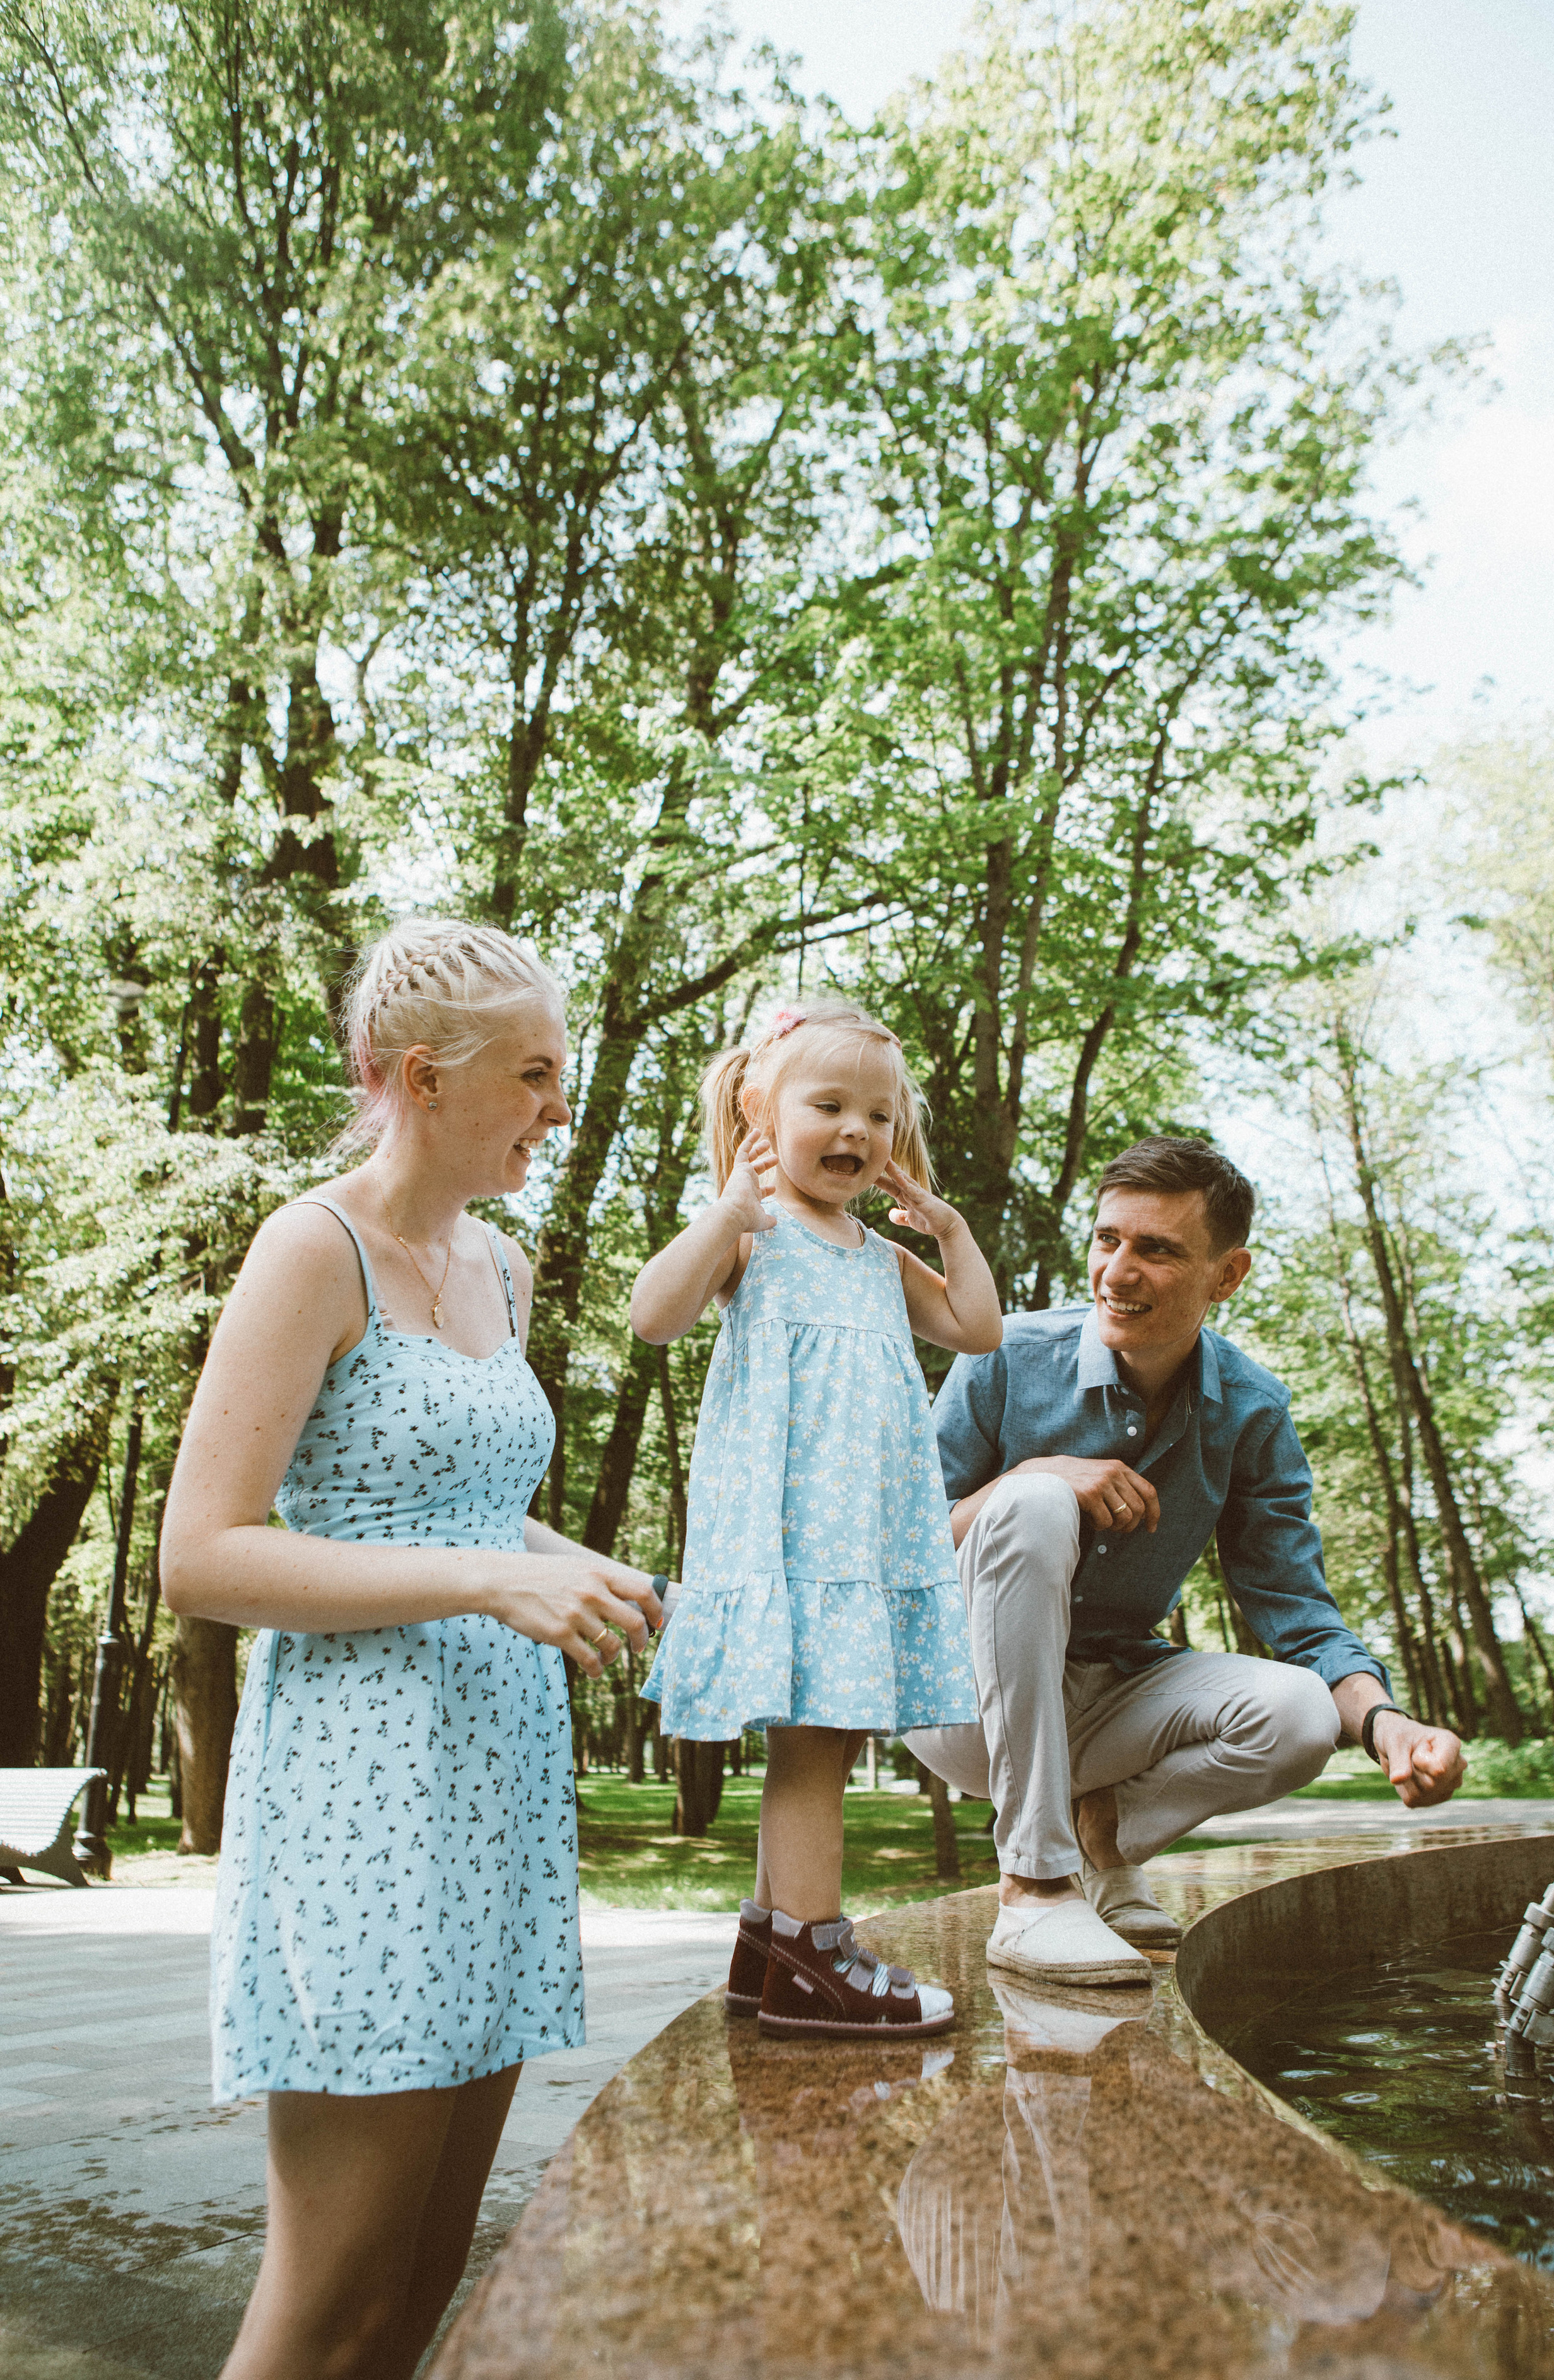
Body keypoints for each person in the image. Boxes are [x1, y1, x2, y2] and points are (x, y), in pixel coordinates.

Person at [161, 919, 662, 2380]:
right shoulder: (310, 1248)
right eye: (534, 1074)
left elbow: (484, 1515)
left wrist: (623, 1585)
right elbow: (204, 1552)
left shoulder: (497, 1269)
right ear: (420, 1079)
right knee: (325, 2302)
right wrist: (481, 1584)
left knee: (421, 2287)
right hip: (358, 1803)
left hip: (497, 1796)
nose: (558, 1108)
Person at [905, 1135, 1466, 1986]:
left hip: (1112, 1697)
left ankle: (1105, 1833)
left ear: (1227, 1275)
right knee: (1035, 1500)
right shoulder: (1006, 1355)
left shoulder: (1250, 1412)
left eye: (1157, 1250)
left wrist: (1389, 1724)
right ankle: (1033, 1887)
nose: (1117, 1272)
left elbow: (1297, 1610)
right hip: (962, 1699)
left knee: (1301, 1715)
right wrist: (1035, 1475)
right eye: (1108, 1240)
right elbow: (900, 1542)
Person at [631, 996, 1002, 2039]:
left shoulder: (880, 1259)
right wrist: (720, 1216)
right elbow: (653, 1317)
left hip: (866, 1537)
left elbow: (976, 1328)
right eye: (828, 1105)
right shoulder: (755, 1237)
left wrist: (951, 1228)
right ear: (760, 1108)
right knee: (819, 1735)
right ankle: (811, 1947)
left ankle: (766, 1950)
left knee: (824, 1736)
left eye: (879, 1117)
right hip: (792, 1538)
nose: (856, 1132)